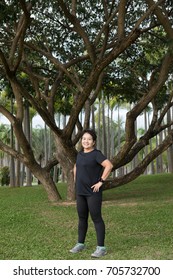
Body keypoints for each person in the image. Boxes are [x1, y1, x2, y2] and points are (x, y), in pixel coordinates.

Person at [70, 129, 113, 258]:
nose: (86, 141)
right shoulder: (80, 154)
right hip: (80, 192)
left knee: (96, 218)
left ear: (93, 142)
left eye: (89, 139)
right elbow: (76, 166)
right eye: (84, 139)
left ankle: (101, 247)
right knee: (82, 218)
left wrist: (101, 181)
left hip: (93, 192)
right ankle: (80, 243)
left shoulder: (96, 154)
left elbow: (109, 165)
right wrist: (76, 181)